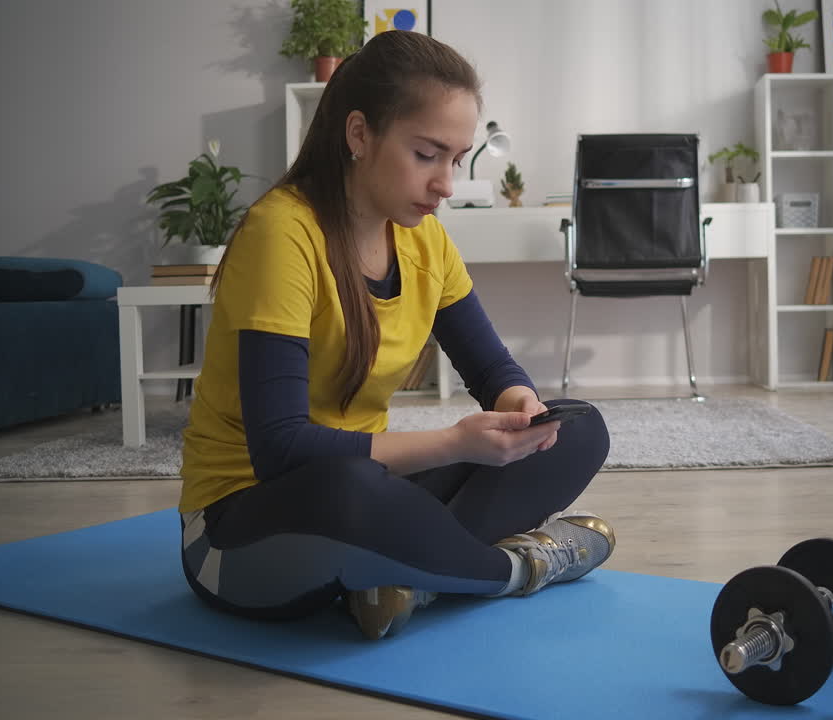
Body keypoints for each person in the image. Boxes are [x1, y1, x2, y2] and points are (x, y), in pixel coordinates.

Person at [175, 30, 613, 641]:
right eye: (427, 154)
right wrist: (453, 444)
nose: (446, 185)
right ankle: (517, 567)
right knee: (354, 491)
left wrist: (520, 408)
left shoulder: (424, 238)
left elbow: (491, 369)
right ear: (359, 134)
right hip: (240, 529)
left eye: (455, 159)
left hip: (366, 495)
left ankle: (408, 576)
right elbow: (280, 450)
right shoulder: (283, 234)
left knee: (578, 428)